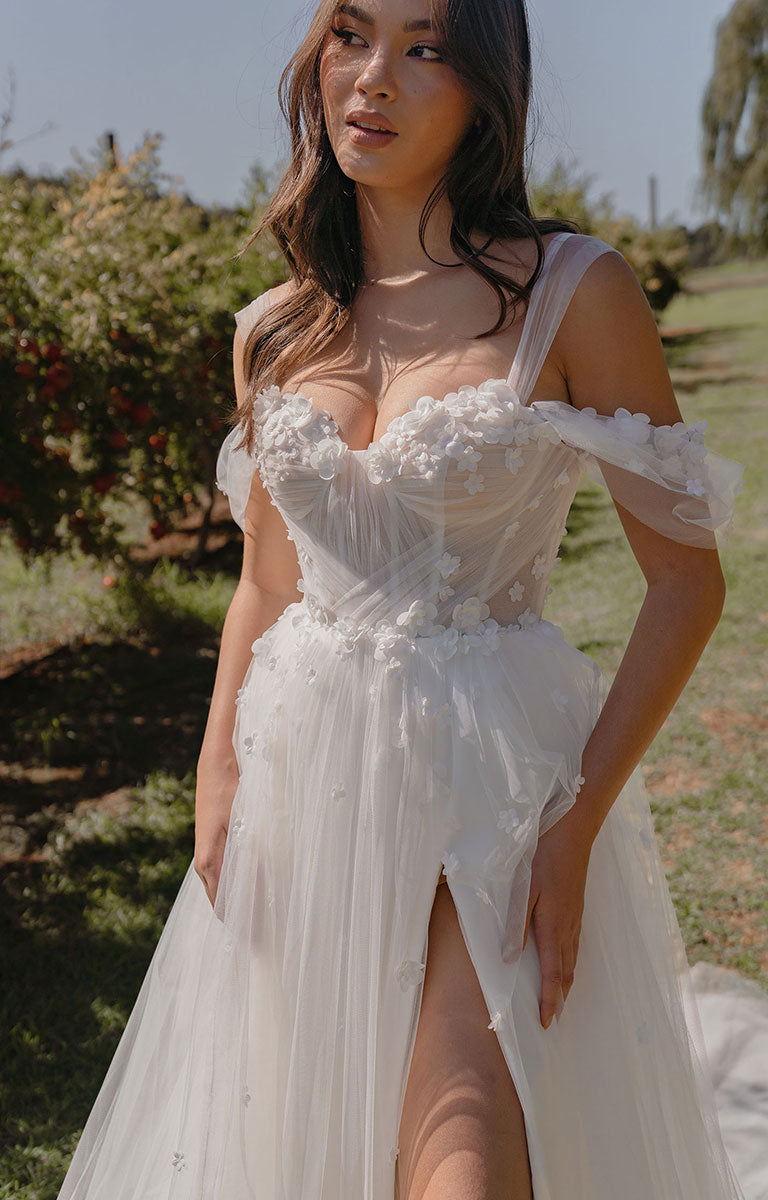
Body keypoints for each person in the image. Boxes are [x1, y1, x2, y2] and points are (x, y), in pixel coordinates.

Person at [57, 1, 749, 1197]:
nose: (372, 79)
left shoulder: (572, 291)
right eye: (349, 36)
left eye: (425, 47)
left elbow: (687, 581)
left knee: (462, 1161)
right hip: (305, 783)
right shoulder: (274, 328)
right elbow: (268, 584)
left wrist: (573, 830)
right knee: (308, 1145)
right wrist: (219, 775)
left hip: (494, 785)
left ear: (487, 84)